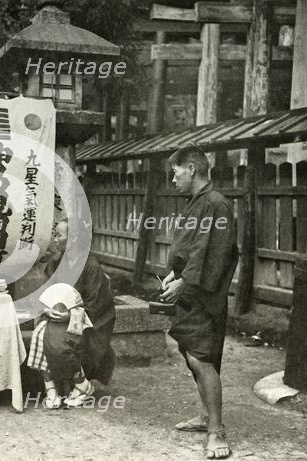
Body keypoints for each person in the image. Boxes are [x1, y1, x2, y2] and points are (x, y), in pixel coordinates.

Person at [160, 146, 238, 459]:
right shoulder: (196, 203)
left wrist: (186, 282)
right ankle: (206, 416)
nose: (173, 179)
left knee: (202, 359)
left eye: (176, 172)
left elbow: (215, 255)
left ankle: (216, 433)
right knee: (192, 354)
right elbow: (190, 249)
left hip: (205, 294)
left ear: (191, 168)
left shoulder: (216, 204)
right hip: (189, 289)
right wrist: (172, 274)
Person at [28, 218, 116, 408]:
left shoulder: (91, 266)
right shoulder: (56, 263)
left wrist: (71, 315)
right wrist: (47, 309)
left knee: (61, 342)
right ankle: (51, 388)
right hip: (57, 318)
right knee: (38, 335)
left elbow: (96, 305)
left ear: (74, 238)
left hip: (84, 322)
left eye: (59, 235)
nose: (55, 239)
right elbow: (45, 293)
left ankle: (81, 384)